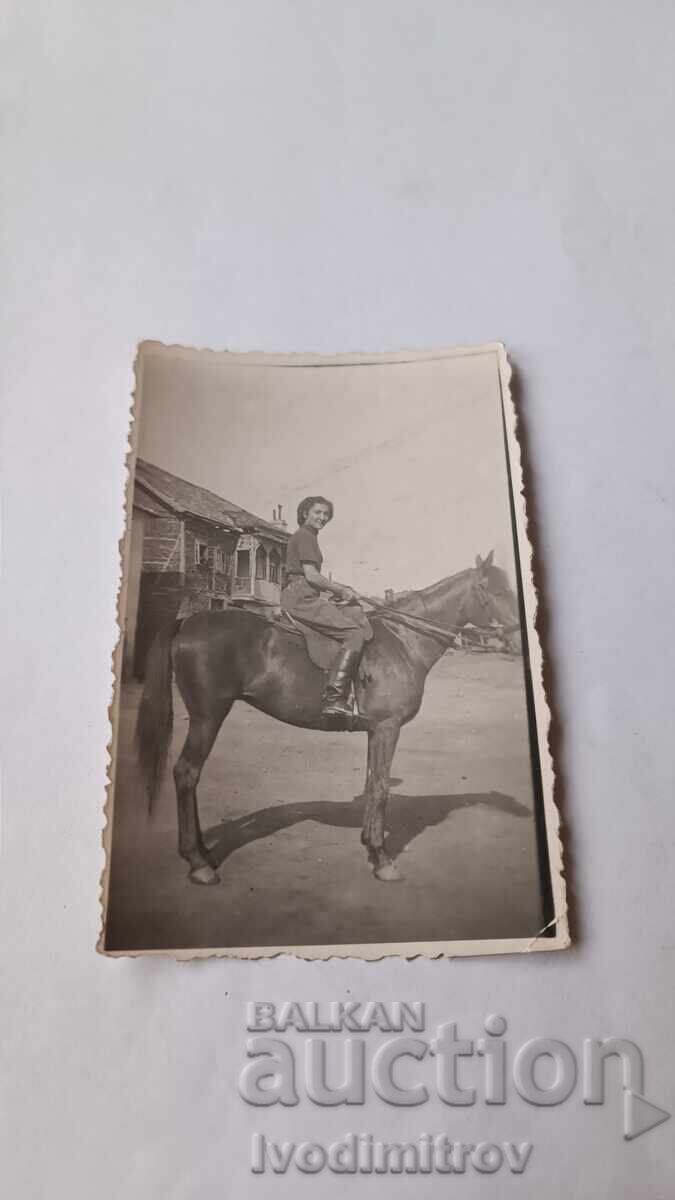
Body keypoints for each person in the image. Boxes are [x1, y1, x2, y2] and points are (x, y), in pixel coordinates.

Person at [281, 495, 372, 721]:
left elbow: (311, 577)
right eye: (318, 512)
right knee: (354, 633)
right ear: (305, 514)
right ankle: (334, 698)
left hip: (303, 593)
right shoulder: (305, 536)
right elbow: (312, 576)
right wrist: (341, 590)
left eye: (326, 515)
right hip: (302, 597)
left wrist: (338, 590)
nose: (322, 517)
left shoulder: (307, 536)